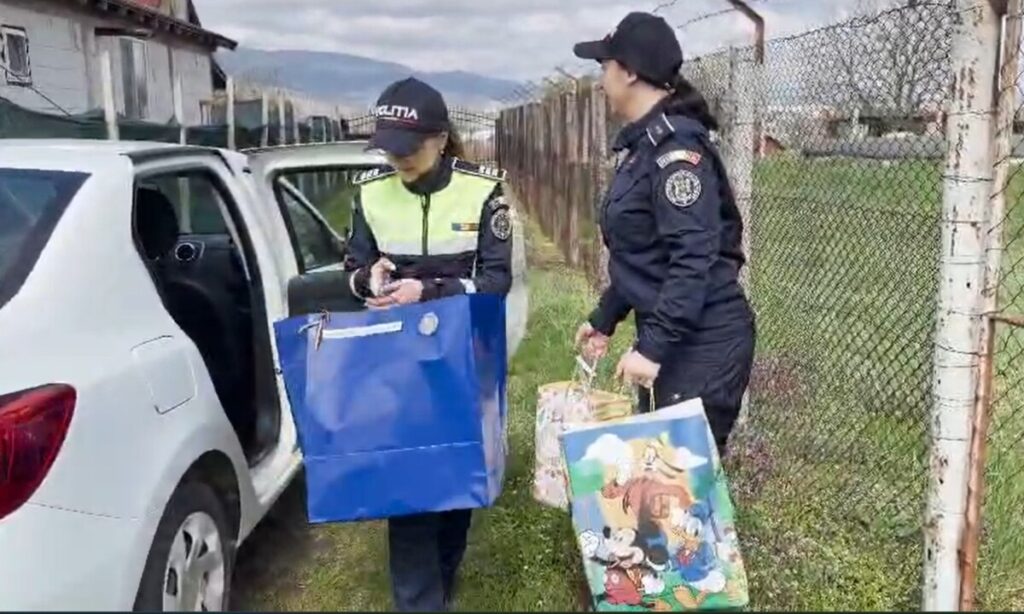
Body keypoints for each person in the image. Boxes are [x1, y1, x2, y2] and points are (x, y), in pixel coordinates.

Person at [342, 76, 513, 612]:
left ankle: (442, 579)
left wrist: (429, 291)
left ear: (440, 139)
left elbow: (496, 282)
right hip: (397, 364)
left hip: (463, 356)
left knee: (458, 480)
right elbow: (353, 268)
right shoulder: (370, 192)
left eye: (408, 148)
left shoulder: (483, 191)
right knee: (411, 487)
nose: (398, 160)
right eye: (389, 149)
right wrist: (367, 280)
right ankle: (420, 601)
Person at [572, 12, 756, 459]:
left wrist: (652, 349)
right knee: (659, 483)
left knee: (678, 487)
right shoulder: (644, 147)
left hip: (702, 342)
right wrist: (606, 316)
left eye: (605, 65)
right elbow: (645, 253)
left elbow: (692, 259)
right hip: (675, 337)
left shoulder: (677, 154)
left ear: (630, 72)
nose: (601, 78)